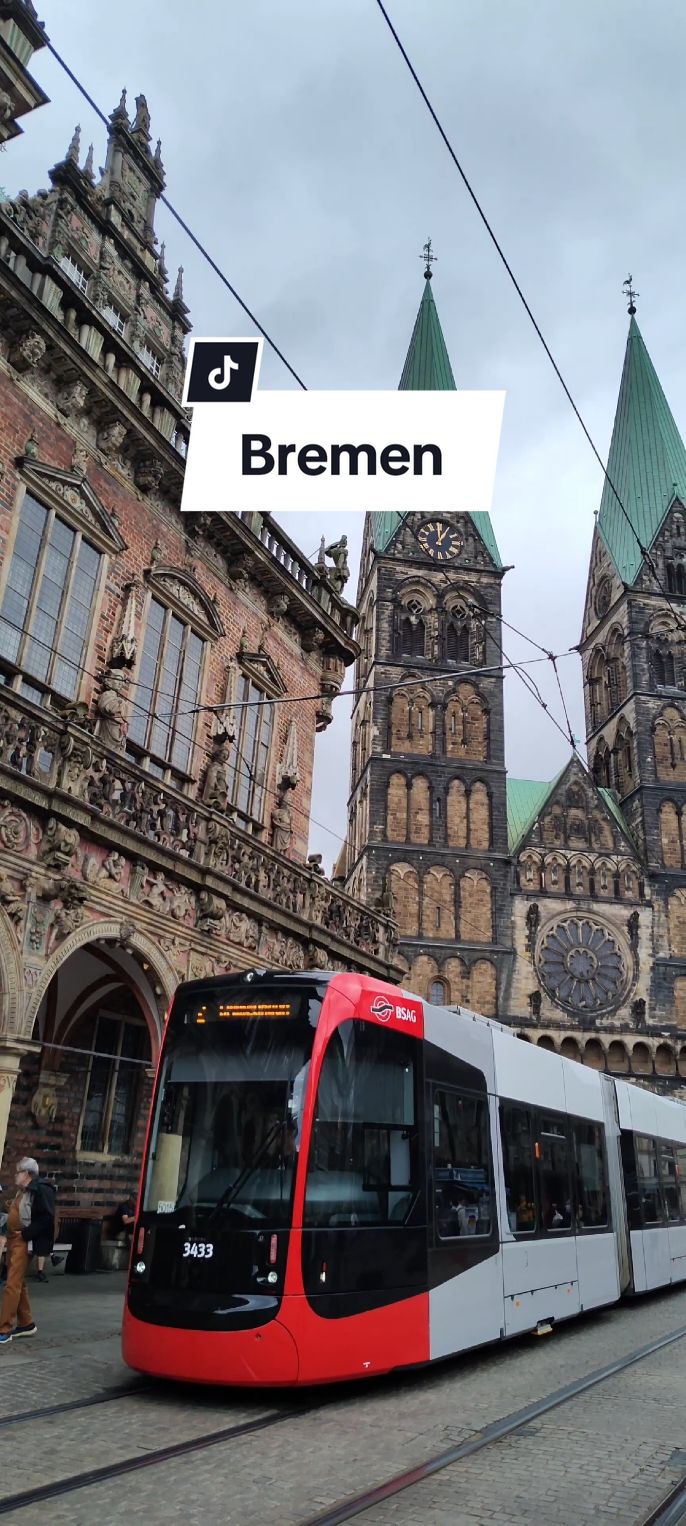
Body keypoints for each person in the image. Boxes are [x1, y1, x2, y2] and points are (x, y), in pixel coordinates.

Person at [0, 1158, 56, 1345]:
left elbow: (46, 1218)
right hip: (16, 1240)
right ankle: (26, 1323)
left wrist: (25, 1234)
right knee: (17, 1282)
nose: (15, 1175)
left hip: (24, 1241)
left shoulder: (40, 1190)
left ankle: (4, 1328)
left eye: (18, 1172)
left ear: (28, 1174)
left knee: (12, 1284)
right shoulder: (23, 1190)